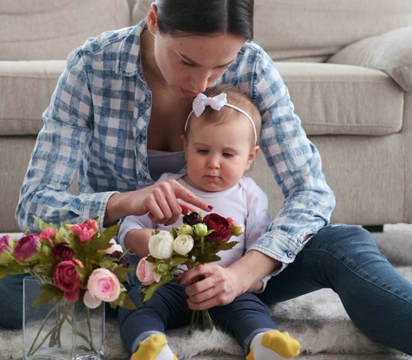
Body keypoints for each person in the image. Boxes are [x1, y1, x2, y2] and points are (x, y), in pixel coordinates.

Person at [0, 1, 412, 359]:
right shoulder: (91, 67)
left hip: (235, 268)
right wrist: (122, 202)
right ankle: (145, 306)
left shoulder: (254, 66)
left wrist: (248, 270)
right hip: (120, 264)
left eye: (220, 68)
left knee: (346, 242)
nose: (201, 82)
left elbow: (311, 191)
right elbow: (36, 204)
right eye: (187, 61)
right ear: (155, 19)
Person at [117, 84, 300, 360]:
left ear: (250, 157)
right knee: (137, 304)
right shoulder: (168, 184)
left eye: (227, 154)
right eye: (203, 151)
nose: (214, 163)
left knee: (251, 310)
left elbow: (260, 251)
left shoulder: (250, 196)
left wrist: (244, 282)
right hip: (170, 285)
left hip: (226, 288)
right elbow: (130, 224)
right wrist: (138, 238)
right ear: (186, 147)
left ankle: (264, 342)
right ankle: (150, 346)